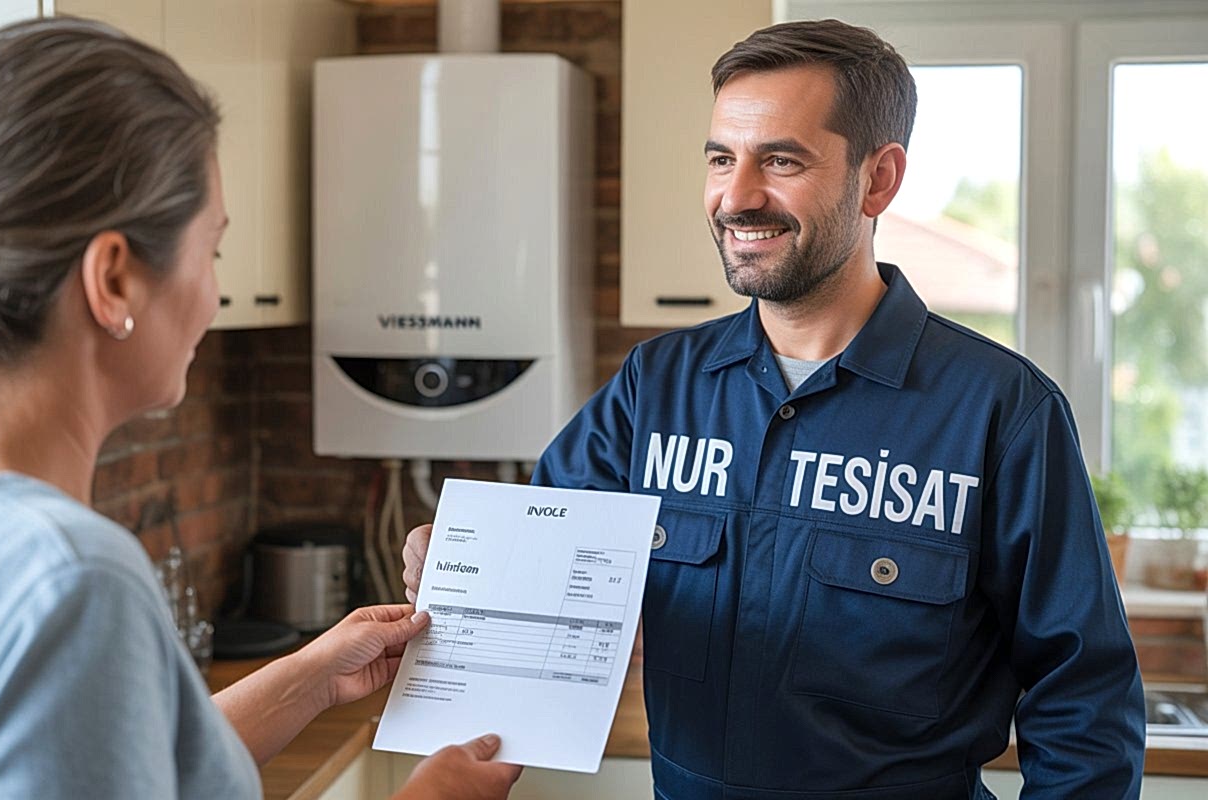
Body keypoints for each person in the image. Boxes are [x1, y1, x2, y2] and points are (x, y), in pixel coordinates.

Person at [404, 18, 1145, 799]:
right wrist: (457, 560)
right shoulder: (657, 384)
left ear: (879, 179)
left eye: (781, 160)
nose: (737, 196)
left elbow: (1085, 704)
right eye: (722, 158)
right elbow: (537, 566)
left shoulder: (1002, 410)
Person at [0, 18, 520, 800]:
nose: (212, 293)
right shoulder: (73, 583)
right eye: (211, 251)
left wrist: (307, 678)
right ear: (113, 280)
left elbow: (125, 765)